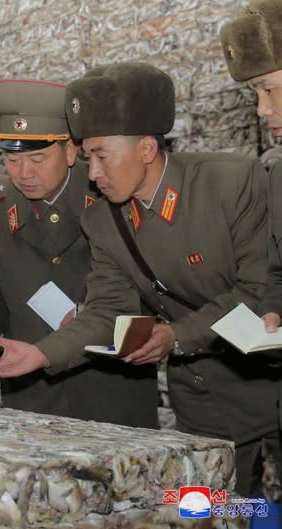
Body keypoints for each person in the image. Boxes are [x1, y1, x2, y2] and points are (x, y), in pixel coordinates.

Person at [0, 62, 281, 497]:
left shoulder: (229, 182)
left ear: (147, 149)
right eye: (89, 156)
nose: (92, 173)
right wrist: (41, 354)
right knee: (212, 513)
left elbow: (258, 288)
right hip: (204, 405)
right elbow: (107, 309)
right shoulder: (104, 219)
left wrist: (173, 335)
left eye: (100, 156)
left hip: (267, 383)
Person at [0, 79, 158, 427]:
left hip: (111, 390)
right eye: (12, 159)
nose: (24, 174)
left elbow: (154, 288)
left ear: (68, 152)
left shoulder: (115, 198)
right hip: (31, 397)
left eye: (38, 158)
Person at [221, 0, 282, 500]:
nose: (263, 110)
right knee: (227, 505)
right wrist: (273, 314)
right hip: (234, 404)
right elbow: (278, 270)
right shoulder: (276, 172)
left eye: (268, 90)